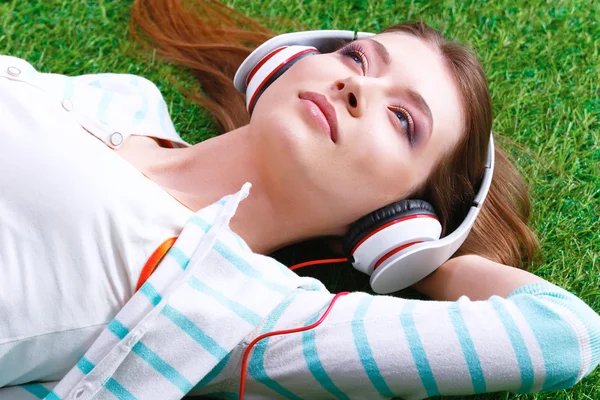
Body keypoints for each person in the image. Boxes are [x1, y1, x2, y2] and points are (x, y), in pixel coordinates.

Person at [0, 0, 598, 399]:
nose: (357, 85)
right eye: (360, 59)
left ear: (400, 223)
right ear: (283, 64)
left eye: (402, 119)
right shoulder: (123, 99)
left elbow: (563, 333)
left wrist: (435, 264)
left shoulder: (243, 309)